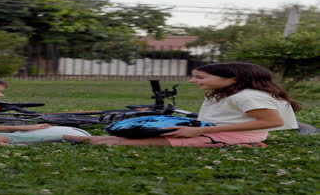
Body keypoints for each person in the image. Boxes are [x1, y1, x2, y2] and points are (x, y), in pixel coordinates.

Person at [64, 62, 300, 147]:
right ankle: (97, 139)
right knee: (147, 133)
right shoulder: (223, 91)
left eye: (200, 77)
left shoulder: (247, 95)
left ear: (233, 79)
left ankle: (93, 140)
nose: (192, 81)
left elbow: (272, 122)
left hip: (241, 136)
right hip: (219, 130)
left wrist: (199, 131)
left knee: (144, 143)